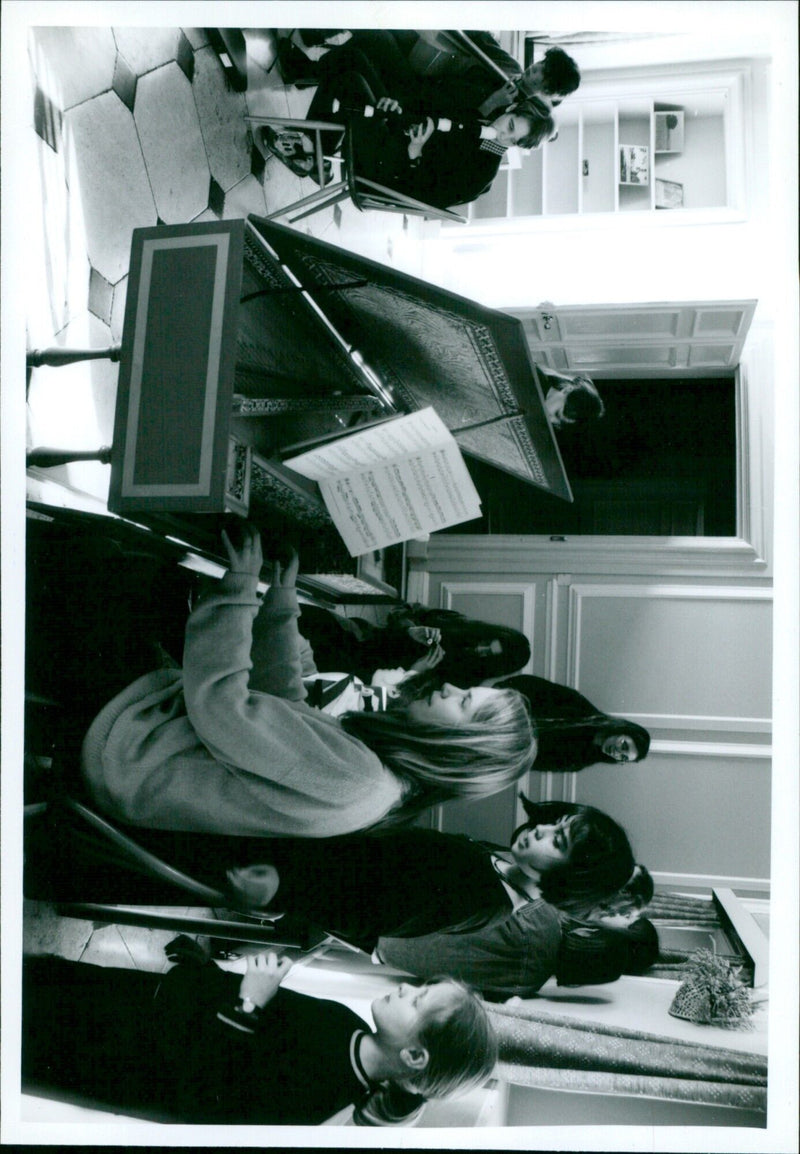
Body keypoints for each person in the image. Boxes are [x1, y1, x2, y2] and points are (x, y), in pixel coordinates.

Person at [81, 521, 536, 837]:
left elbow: (223, 708)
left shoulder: (360, 780)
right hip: (155, 738)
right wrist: (280, 600)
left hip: (125, 749)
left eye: (463, 703)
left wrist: (240, 587)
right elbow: (285, 702)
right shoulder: (378, 775)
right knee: (145, 584)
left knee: (106, 565)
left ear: (458, 751)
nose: (450, 687)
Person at [21, 949, 496, 1125]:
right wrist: (207, 973)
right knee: (39, 977)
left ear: (414, 1054)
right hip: (144, 1005)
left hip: (117, 1055)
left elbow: (202, 1096)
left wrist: (249, 1003)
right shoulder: (345, 1026)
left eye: (418, 1000)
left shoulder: (321, 1096)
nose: (406, 988)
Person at [260, 49, 554, 209]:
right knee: (354, 62)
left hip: (386, 174)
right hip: (393, 136)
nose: (502, 135)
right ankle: (313, 150)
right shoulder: (479, 121)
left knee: (350, 80)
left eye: (512, 140)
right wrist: (395, 109)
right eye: (510, 125)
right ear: (512, 110)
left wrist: (415, 152)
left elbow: (426, 194)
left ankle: (311, 149)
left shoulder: (482, 171)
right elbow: (430, 117)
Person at [297, 601, 530, 689]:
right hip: (360, 639)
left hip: (361, 678)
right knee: (307, 617)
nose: (480, 648)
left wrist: (418, 673)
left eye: (487, 655)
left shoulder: (460, 686)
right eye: (486, 642)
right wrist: (410, 629)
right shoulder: (457, 622)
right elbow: (402, 610)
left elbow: (401, 700)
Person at [493, 674, 651, 773]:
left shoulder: (577, 762)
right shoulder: (579, 707)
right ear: (622, 730)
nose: (617, 753)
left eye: (623, 757)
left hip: (497, 743)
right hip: (499, 711)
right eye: (624, 745)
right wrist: (499, 694)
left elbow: (525, 763)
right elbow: (532, 685)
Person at [538, 367, 605, 431]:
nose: (550, 420)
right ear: (567, 390)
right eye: (557, 413)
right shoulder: (534, 378)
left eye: (557, 424)